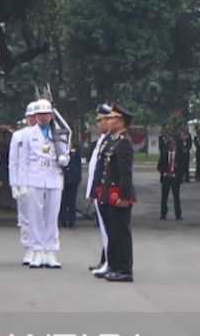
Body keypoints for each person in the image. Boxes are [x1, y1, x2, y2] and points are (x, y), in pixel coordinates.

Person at [19, 99, 70, 269]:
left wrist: (65, 159)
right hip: (34, 178)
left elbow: (64, 153)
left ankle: (51, 251)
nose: (43, 117)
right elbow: (23, 161)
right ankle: (37, 250)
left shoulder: (59, 133)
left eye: (46, 114)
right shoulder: (28, 134)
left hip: (54, 177)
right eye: (39, 114)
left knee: (51, 216)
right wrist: (22, 183)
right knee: (35, 217)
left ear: (51, 115)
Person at [101, 104, 136, 283]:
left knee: (122, 232)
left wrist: (125, 196)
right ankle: (114, 266)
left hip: (119, 194)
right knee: (114, 232)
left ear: (121, 121)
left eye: (112, 117)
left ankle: (125, 269)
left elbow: (125, 173)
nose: (109, 120)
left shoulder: (124, 143)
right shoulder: (115, 141)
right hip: (111, 192)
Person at [85, 103, 114, 277]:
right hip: (97, 189)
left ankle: (109, 262)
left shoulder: (110, 140)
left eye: (101, 120)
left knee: (107, 230)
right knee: (104, 229)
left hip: (103, 190)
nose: (98, 124)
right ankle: (105, 260)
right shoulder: (102, 140)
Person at [9, 102, 37, 266]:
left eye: (35, 116)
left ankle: (39, 247)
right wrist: (14, 184)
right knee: (25, 218)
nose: (33, 119)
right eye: (30, 116)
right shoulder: (19, 135)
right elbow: (13, 162)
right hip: (23, 181)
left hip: (39, 180)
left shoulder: (46, 134)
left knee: (39, 217)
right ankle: (28, 248)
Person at [158, 138, 183, 220]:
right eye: (171, 145)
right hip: (166, 178)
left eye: (174, 145)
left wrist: (177, 171)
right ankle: (163, 214)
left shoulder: (179, 155)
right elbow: (159, 166)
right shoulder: (164, 154)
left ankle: (178, 215)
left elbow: (183, 167)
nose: (173, 146)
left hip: (175, 178)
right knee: (164, 197)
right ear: (168, 146)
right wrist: (165, 172)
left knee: (176, 197)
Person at [59, 144, 82, 228]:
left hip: (73, 177)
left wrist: (79, 176)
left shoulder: (75, 148)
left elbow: (78, 163)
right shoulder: (60, 146)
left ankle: (72, 220)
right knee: (63, 201)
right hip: (63, 177)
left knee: (72, 201)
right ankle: (63, 219)